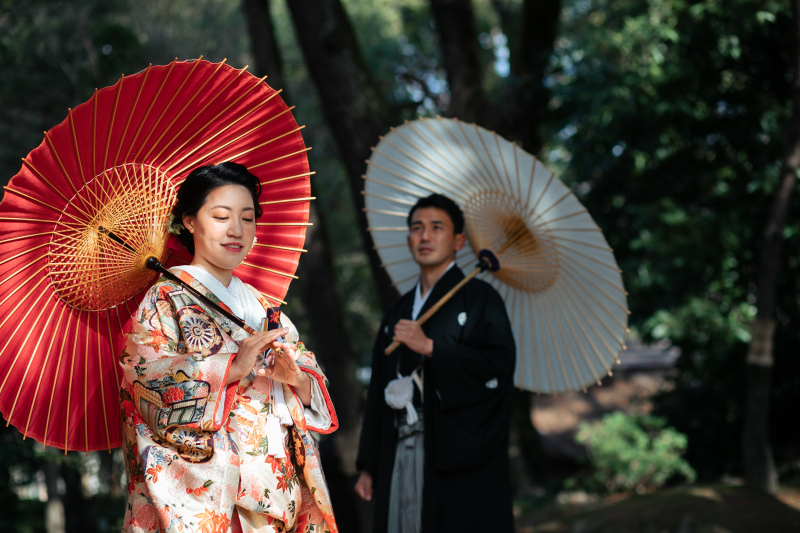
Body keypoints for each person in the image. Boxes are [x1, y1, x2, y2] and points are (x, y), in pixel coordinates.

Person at [120, 162, 339, 533]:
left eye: (248, 218)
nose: (236, 230)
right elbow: (145, 383)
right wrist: (233, 368)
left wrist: (297, 380)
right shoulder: (165, 299)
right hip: (218, 491)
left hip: (279, 481)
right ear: (189, 221)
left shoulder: (262, 305)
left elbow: (312, 381)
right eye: (221, 216)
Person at [354, 193, 516, 533]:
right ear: (409, 238)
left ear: (458, 240)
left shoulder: (481, 300)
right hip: (400, 445)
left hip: (456, 452)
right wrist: (369, 464)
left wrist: (432, 348)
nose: (425, 236)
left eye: (436, 227)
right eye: (417, 228)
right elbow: (377, 394)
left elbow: (497, 367)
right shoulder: (397, 313)